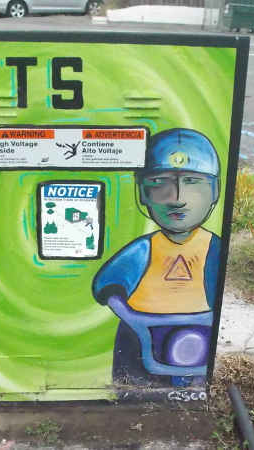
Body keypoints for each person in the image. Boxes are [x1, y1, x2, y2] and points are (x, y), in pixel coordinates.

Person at [92, 128, 222, 387]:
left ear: (215, 191)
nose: (177, 199)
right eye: (159, 182)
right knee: (132, 386)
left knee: (193, 384)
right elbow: (108, 284)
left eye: (193, 182)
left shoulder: (213, 247)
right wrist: (127, 313)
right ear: (142, 192)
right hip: (140, 335)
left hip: (198, 332)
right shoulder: (144, 249)